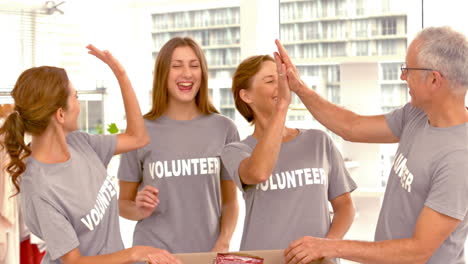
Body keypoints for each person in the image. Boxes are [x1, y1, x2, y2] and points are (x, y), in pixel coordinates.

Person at [280, 26, 468, 264]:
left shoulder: (459, 160)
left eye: (408, 69)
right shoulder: (418, 115)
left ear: (433, 79)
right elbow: (352, 126)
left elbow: (417, 251)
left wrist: (329, 247)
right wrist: (298, 87)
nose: (402, 76)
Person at [0, 45, 181, 264]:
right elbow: (73, 261)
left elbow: (137, 137)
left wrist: (121, 74)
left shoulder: (81, 143)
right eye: (75, 97)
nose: (79, 105)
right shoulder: (40, 187)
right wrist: (134, 253)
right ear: (60, 114)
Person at [220, 52, 356, 261]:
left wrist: (326, 247)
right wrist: (282, 105)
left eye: (282, 79)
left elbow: (345, 207)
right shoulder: (236, 151)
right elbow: (259, 172)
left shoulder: (319, 141)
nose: (281, 86)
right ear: (246, 96)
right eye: (270, 80)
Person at [117, 37, 239, 253]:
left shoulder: (224, 129)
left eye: (194, 65)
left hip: (206, 254)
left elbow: (230, 202)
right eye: (176, 66)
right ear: (163, 74)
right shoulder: (139, 131)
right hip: (153, 254)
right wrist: (139, 209)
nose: (187, 73)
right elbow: (123, 204)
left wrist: (223, 242)